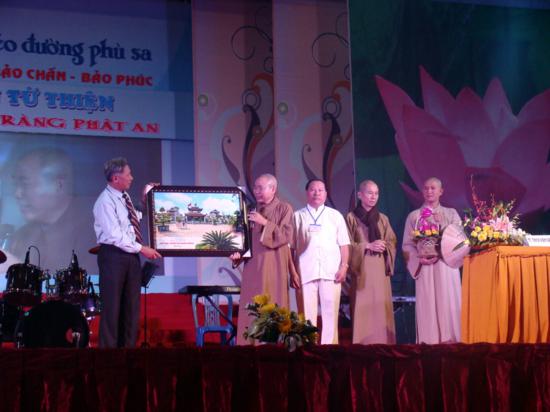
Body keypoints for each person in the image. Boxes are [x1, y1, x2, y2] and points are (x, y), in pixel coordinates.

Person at [93, 157, 161, 348]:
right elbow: (115, 235)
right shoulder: (105, 202)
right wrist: (142, 249)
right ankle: (109, 357)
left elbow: (134, 218)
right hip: (113, 256)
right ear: (116, 178)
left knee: (131, 309)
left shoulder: (124, 197)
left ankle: (128, 353)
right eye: (128, 174)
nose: (131, 178)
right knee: (112, 309)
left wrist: (146, 197)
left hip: (130, 256)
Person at [7, 147, 97, 272]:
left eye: (25, 183)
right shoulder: (21, 237)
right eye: (16, 184)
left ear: (58, 185)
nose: (17, 194)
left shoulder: (95, 235)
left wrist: (20, 272)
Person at [230, 174, 295, 345]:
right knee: (251, 304)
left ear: (273, 189)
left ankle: (272, 346)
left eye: (261, 187)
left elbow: (286, 236)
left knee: (273, 301)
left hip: (274, 265)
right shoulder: (249, 209)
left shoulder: (284, 208)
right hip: (252, 267)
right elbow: (242, 239)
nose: (256, 191)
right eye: (255, 187)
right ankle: (249, 345)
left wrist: (265, 223)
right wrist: (237, 254)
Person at [402, 177, 462, 344]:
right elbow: (407, 245)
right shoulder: (414, 216)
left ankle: (452, 340)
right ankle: (429, 341)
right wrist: (419, 260)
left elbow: (460, 241)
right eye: (426, 188)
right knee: (428, 303)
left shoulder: (451, 214)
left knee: (448, 302)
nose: (429, 191)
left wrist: (441, 251)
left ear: (441, 191)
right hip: (425, 266)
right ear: (422, 191)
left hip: (446, 266)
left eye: (433, 188)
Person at [292, 179, 350, 344]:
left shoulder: (335, 215)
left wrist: (344, 267)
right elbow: (291, 248)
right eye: (313, 189)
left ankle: (328, 348)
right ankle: (308, 346)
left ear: (326, 193)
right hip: (305, 271)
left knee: (331, 313)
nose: (316, 193)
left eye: (320, 190)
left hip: (331, 271)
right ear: (307, 193)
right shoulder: (297, 216)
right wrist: (293, 272)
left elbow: (344, 244)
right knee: (306, 314)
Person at [346, 180, 397, 344]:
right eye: (369, 193)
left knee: (381, 307)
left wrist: (385, 246)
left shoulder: (383, 219)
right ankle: (362, 343)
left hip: (380, 269)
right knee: (363, 306)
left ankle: (384, 342)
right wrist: (367, 246)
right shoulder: (351, 217)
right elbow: (345, 245)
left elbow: (392, 241)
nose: (373, 197)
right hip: (362, 269)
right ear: (360, 195)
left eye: (376, 193)